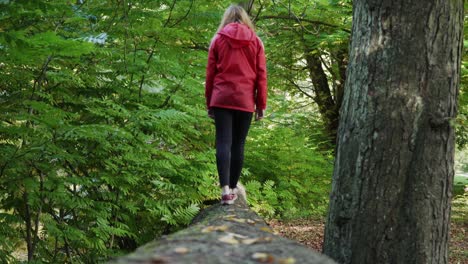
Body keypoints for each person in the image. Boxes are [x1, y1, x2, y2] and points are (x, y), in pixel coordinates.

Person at [205, 4, 267, 205]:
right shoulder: (256, 42)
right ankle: (233, 189)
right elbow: (261, 76)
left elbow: (210, 75)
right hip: (245, 99)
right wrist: (261, 104)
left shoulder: (218, 39)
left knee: (223, 142)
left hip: (222, 98)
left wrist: (209, 103)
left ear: (226, 18)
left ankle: (224, 191)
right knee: (238, 144)